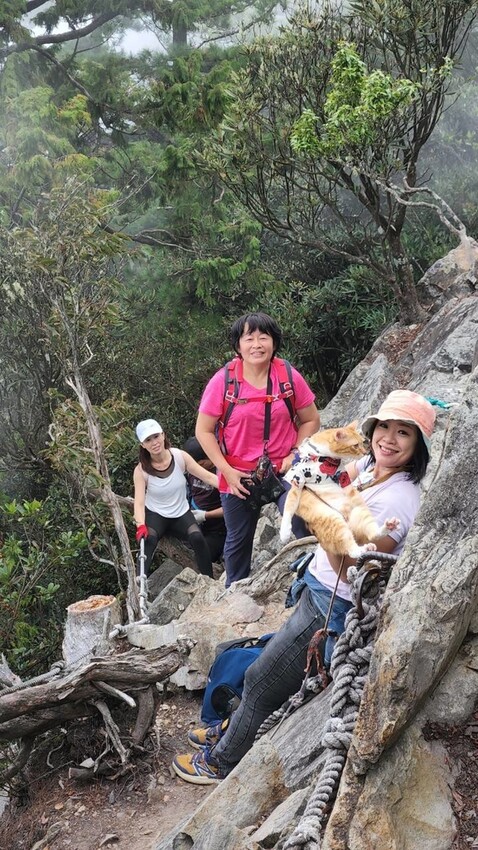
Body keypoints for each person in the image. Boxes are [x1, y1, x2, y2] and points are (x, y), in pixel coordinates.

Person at [172, 390, 436, 784]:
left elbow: (352, 567)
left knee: (263, 677)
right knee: (267, 670)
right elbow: (328, 473)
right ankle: (232, 728)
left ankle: (221, 761)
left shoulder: (399, 499)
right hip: (318, 590)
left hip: (333, 603)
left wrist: (320, 516)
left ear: (416, 448)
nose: (388, 438)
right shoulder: (370, 466)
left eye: (403, 433)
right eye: (384, 426)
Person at [195, 312, 321, 587]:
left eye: (263, 336)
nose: (256, 344)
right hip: (237, 473)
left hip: (281, 468)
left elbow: (311, 419)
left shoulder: (287, 375)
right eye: (248, 337)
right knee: (238, 541)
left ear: (274, 342)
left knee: (301, 520)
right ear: (237, 346)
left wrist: (296, 453)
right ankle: (235, 596)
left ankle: (313, 583)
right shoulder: (223, 382)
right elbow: (203, 431)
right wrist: (226, 472)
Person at [133, 419, 219, 579]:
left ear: (163, 435)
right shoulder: (141, 470)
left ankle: (209, 581)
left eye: (156, 436)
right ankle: (140, 586)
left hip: (181, 512)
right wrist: (140, 526)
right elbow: (138, 502)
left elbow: (208, 477)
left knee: (197, 538)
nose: (154, 442)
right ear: (143, 445)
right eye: (148, 440)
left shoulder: (180, 457)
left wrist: (232, 485)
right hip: (156, 514)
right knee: (148, 541)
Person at [183, 437, 227, 565]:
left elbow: (233, 508)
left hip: (218, 529)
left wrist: (205, 515)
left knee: (201, 555)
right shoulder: (191, 470)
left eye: (200, 464)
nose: (196, 468)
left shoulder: (223, 471)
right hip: (195, 520)